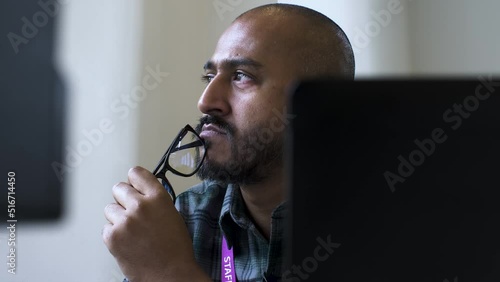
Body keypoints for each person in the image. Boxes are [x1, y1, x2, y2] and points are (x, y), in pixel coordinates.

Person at [102, 3, 355, 281]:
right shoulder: (185, 218)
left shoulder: (390, 223)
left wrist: (169, 272)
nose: (205, 102)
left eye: (241, 77)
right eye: (209, 77)